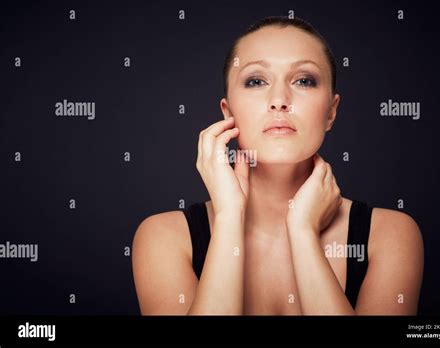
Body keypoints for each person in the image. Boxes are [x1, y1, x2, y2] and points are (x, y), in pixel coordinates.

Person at [132, 16, 424, 315]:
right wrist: (229, 217)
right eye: (256, 81)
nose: (280, 100)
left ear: (331, 112)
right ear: (228, 111)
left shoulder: (390, 234)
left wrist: (303, 232)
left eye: (303, 81)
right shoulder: (164, 237)